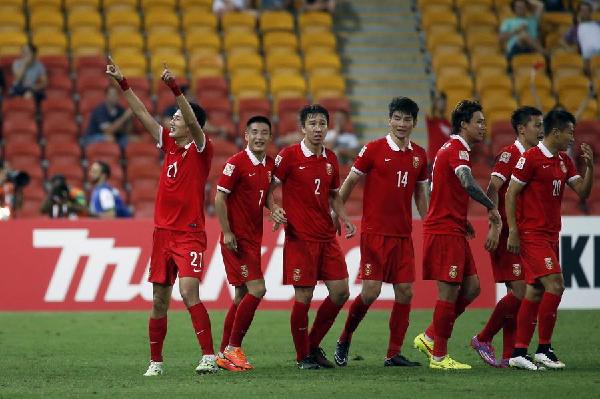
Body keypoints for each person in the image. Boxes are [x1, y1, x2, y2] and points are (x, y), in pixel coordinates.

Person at [105, 58, 218, 375]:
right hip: (162, 235)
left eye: (178, 117)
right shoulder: (169, 144)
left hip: (189, 233)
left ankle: (208, 355)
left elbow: (194, 124)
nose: (171, 120)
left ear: (192, 123)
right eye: (173, 116)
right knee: (158, 300)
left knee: (188, 291)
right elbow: (141, 114)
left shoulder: (200, 148)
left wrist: (174, 88)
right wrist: (122, 82)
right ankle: (156, 361)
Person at [332, 97, 429, 368]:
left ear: (414, 123)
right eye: (397, 118)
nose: (401, 124)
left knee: (406, 293)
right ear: (390, 120)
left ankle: (393, 353)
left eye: (407, 119)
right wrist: (337, 213)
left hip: (402, 235)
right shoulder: (372, 149)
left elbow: (421, 193)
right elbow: (350, 181)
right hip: (375, 234)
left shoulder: (419, 155)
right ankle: (345, 337)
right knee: (371, 292)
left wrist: (429, 221)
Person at [412, 100, 501, 370]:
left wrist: (463, 219)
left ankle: (429, 336)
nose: (483, 127)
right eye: (479, 122)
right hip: (443, 230)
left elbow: (446, 189)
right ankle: (439, 356)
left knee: (472, 288)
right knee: (448, 293)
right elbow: (465, 181)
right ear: (464, 124)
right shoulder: (456, 150)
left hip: (454, 227)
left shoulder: (452, 149)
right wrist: (490, 206)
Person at [268, 104, 356, 369]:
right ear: (302, 127)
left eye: (322, 124)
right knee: (304, 297)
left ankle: (313, 344)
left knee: (341, 292)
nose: (318, 129)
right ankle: (302, 356)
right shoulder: (289, 156)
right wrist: (274, 209)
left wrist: (343, 216)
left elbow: (332, 194)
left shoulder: (330, 158)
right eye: (313, 124)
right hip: (300, 237)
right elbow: (268, 187)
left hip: (326, 236)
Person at [506, 109, 594, 370]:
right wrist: (513, 230)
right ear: (556, 132)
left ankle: (519, 352)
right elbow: (511, 194)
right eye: (569, 132)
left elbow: (583, 192)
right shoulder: (531, 158)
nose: (572, 137)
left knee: (536, 290)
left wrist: (589, 167)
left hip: (551, 234)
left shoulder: (563, 161)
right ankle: (544, 348)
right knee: (556, 284)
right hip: (532, 235)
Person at [470, 106, 543, 368]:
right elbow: (493, 188)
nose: (541, 130)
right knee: (522, 292)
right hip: (506, 233)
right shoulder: (509, 154)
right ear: (522, 129)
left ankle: (509, 355)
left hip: (523, 233)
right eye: (537, 125)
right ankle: (483, 337)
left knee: (519, 293)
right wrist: (495, 225)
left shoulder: (534, 156)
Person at [214, 115, 275, 372]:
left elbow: (264, 194)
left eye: (264, 133)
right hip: (237, 239)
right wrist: (227, 232)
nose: (259, 137)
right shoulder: (236, 163)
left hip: (253, 238)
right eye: (255, 132)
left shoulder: (269, 164)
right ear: (246, 136)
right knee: (257, 289)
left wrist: (274, 208)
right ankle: (232, 348)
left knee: (241, 295)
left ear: (269, 137)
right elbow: (219, 199)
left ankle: (223, 353)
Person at [563, 1, 600, 73]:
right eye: (582, 10)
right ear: (579, 12)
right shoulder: (574, 28)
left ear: (591, 12)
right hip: (587, 58)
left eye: (587, 10)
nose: (585, 13)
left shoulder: (597, 24)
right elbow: (565, 41)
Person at [425, 91, 452, 165]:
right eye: (439, 100)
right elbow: (429, 112)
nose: (442, 103)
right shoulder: (432, 120)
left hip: (445, 162)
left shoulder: (448, 123)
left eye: (443, 101)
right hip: (433, 160)